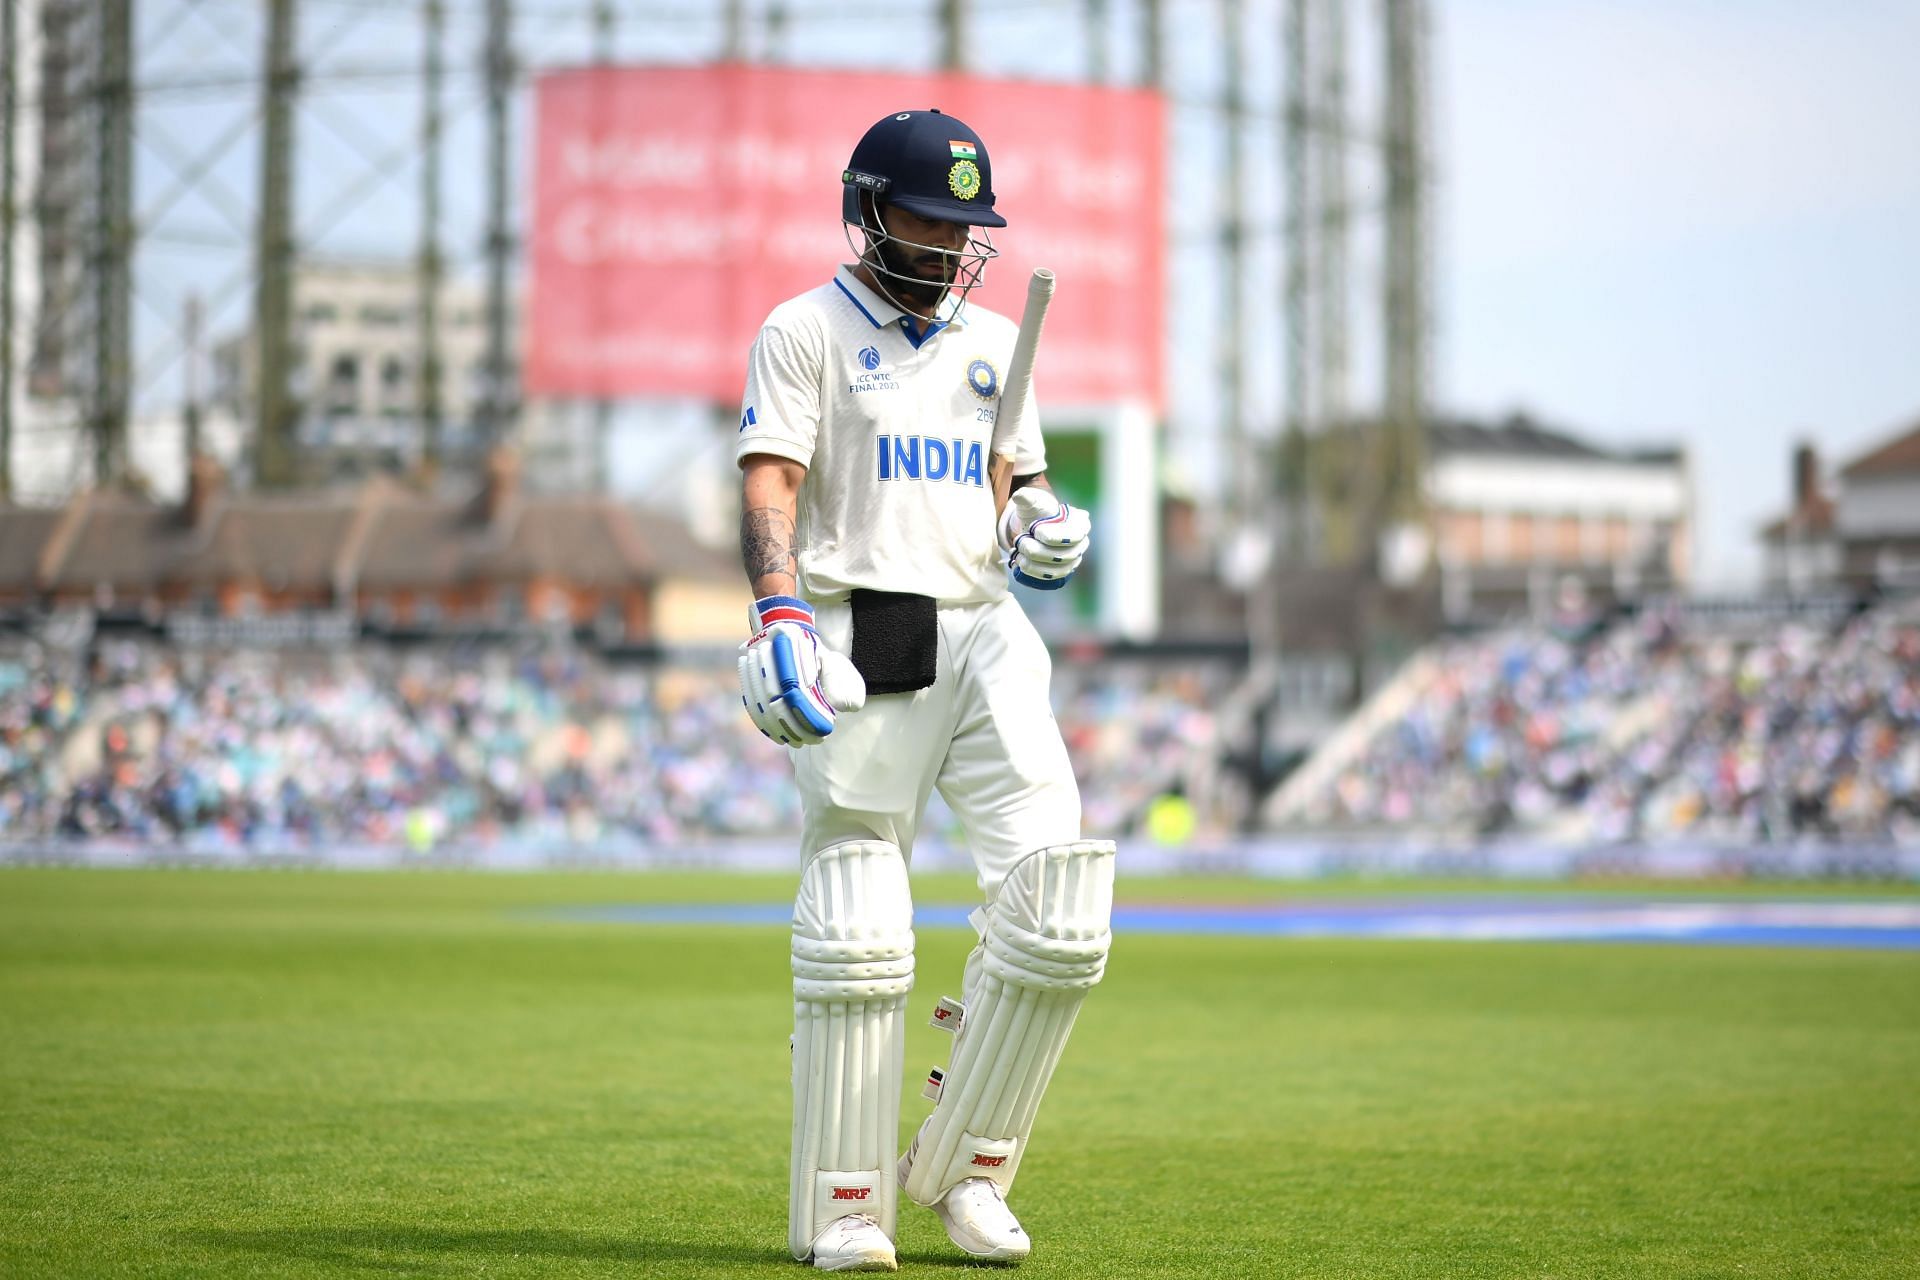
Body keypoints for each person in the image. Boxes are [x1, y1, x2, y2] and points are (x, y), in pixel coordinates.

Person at [734, 108, 1116, 1272]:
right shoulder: (802, 332)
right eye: (927, 218)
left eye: (967, 227)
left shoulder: (998, 340)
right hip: (872, 628)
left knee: (1060, 906)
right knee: (859, 919)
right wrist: (782, 614)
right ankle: (847, 1206)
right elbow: (771, 484)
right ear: (866, 209)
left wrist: (1040, 528)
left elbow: (1014, 488)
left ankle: (971, 1171)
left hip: (986, 628)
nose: (950, 245)